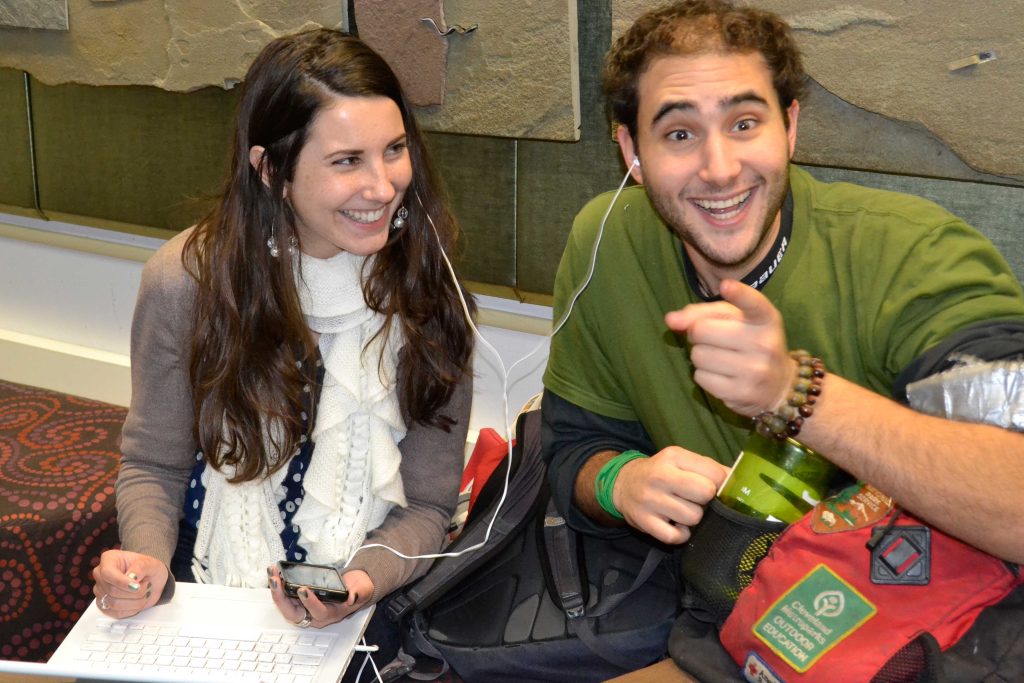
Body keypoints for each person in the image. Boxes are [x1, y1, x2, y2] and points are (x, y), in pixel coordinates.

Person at [542, 0, 1024, 673]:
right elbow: (571, 452)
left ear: (790, 127)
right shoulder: (607, 243)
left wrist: (796, 395)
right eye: (679, 134)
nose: (718, 167)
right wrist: (623, 481)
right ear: (632, 151)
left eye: (744, 123)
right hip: (737, 632)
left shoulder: (915, 257)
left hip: (930, 640)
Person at [91, 28, 475, 676]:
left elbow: (428, 507)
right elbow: (151, 464)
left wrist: (354, 583)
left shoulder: (429, 295)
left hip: (364, 595)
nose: (383, 186)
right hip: (204, 584)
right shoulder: (185, 283)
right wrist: (147, 561)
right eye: (347, 160)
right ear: (272, 171)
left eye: (394, 150)